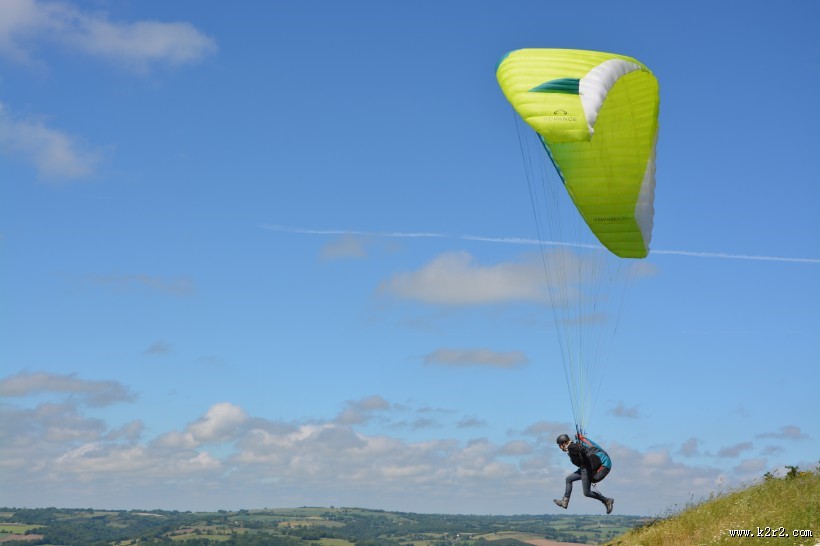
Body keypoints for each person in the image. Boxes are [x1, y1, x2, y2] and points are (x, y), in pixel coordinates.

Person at [553, 433, 614, 514]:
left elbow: (583, 452)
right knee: (568, 479)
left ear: (564, 443)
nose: (560, 447)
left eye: (559, 445)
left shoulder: (571, 447)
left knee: (587, 492)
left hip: (586, 468)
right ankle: (564, 501)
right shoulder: (572, 447)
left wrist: (582, 451)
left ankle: (606, 500)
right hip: (584, 467)